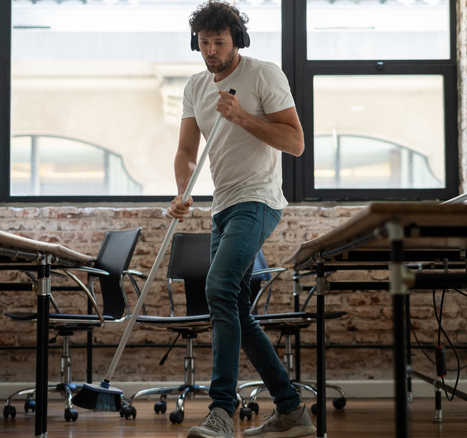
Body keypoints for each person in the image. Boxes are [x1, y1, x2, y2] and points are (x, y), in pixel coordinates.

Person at [167, 2, 315, 438]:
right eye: (204, 42)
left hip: (259, 200)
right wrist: (182, 191)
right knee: (235, 310)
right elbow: (186, 152)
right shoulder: (195, 86)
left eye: (219, 41)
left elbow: (295, 142)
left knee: (218, 288)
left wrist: (243, 117)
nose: (211, 50)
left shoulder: (263, 74)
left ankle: (221, 412)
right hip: (223, 205)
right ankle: (291, 411)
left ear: (237, 41)